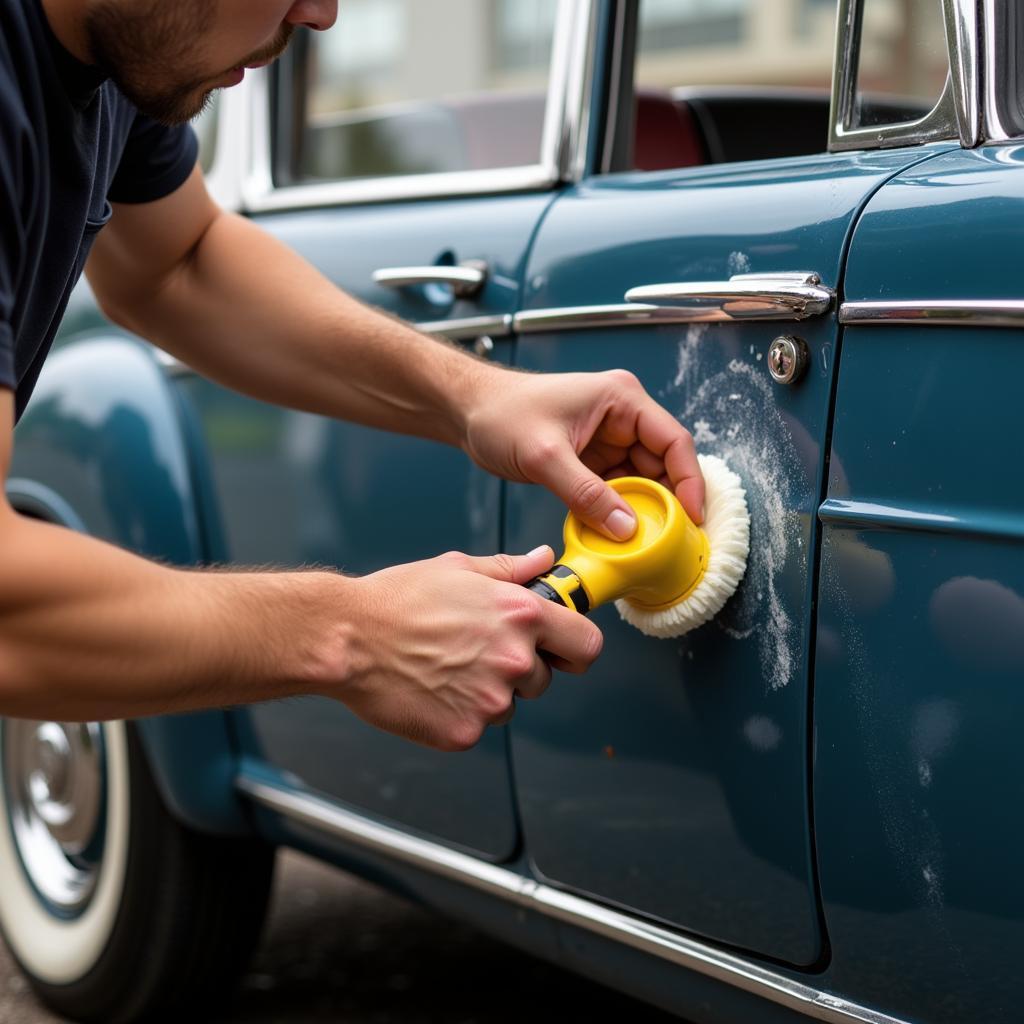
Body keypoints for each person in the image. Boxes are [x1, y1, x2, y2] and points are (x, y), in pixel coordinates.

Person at [0, 0, 704, 751]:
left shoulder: (115, 58)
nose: (323, 15)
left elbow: (178, 264)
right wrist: (351, 634)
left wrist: (479, 398)